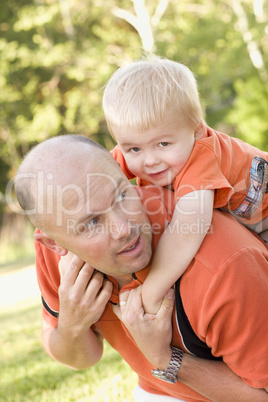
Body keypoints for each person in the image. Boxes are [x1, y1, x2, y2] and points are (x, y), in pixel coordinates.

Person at [14, 135, 268, 401]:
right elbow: (82, 358)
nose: (124, 228)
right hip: (158, 392)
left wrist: (166, 359)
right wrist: (71, 326)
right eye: (91, 223)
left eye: (122, 194)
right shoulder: (57, 257)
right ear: (55, 243)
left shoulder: (224, 265)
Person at [102, 55, 268, 314]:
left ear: (197, 130)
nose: (149, 161)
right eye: (134, 148)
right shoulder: (143, 147)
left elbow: (187, 231)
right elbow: (94, 172)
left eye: (163, 144)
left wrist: (149, 295)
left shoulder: (203, 153)